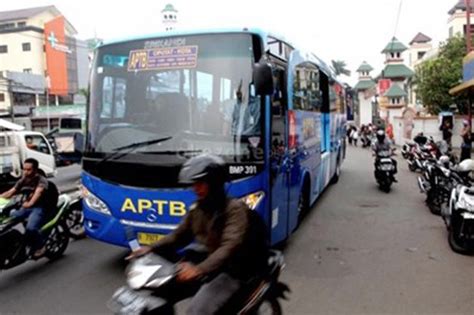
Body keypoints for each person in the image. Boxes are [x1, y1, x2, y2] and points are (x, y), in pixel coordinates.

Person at [127, 154, 269, 315]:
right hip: (210, 260)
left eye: (201, 183)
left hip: (234, 269)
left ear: (215, 183)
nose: (196, 188)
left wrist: (199, 269)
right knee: (161, 291)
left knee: (197, 311)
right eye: (194, 184)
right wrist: (150, 248)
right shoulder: (198, 208)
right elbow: (178, 236)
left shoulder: (234, 210)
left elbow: (229, 246)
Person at [0, 158, 49, 258]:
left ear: (35, 170)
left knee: (31, 228)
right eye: (24, 169)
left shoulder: (41, 180)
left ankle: (41, 246)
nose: (25, 172)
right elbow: (10, 192)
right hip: (25, 207)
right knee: (7, 219)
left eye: (28, 170)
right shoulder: (24, 179)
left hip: (38, 208)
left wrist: (30, 203)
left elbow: (38, 193)